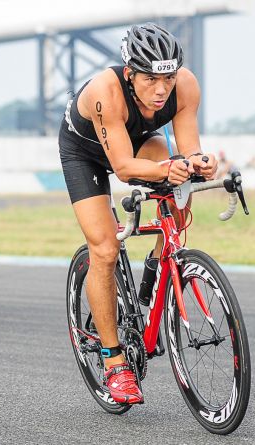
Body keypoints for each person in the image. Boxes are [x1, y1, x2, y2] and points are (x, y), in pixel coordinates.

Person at [59, 23, 218, 404]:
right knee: (105, 249)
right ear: (130, 73)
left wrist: (201, 164)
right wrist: (168, 169)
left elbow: (188, 149)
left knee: (178, 197)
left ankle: (158, 274)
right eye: (150, 79)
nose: (161, 89)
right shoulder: (105, 92)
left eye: (167, 77)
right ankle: (114, 362)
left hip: (141, 142)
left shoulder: (186, 86)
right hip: (88, 155)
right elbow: (125, 167)